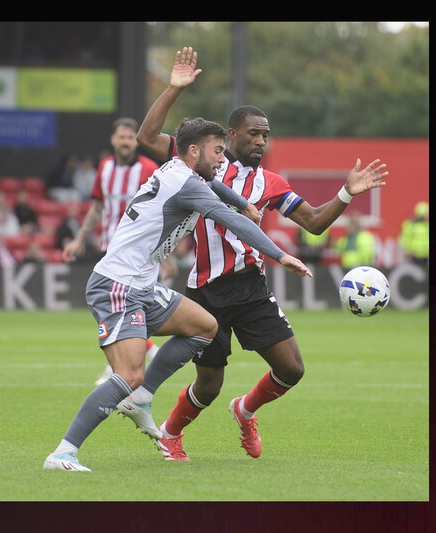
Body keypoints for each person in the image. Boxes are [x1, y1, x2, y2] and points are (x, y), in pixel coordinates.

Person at [125, 46, 388, 461]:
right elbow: (145, 137)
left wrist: (345, 193)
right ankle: (170, 434)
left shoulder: (271, 182)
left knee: (292, 369)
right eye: (254, 133)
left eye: (266, 134)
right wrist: (174, 89)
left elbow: (315, 222)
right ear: (231, 136)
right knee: (208, 384)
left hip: (251, 289)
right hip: (206, 290)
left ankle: (245, 409)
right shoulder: (201, 164)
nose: (261, 140)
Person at [43, 117, 313, 472]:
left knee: (204, 325)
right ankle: (63, 453)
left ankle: (140, 399)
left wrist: (241, 201)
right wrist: (280, 254)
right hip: (118, 286)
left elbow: (218, 190)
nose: (222, 159)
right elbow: (234, 222)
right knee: (128, 374)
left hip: (140, 285)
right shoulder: (187, 184)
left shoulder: (177, 169)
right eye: (218, 151)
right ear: (194, 150)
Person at [62, 117, 168, 385]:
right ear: (113, 139)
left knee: (125, 307)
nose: (125, 142)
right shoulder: (104, 168)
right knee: (111, 308)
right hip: (110, 249)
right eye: (121, 137)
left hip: (139, 253)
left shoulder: (148, 169)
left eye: (130, 138)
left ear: (136, 140)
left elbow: (164, 212)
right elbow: (98, 208)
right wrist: (78, 240)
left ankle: (121, 368)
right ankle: (135, 357)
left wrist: (166, 254)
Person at [398, 200, 429, 268]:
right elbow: (405, 239)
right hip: (414, 255)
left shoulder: (426, 225)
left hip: (426, 255)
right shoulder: (410, 225)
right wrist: (407, 251)